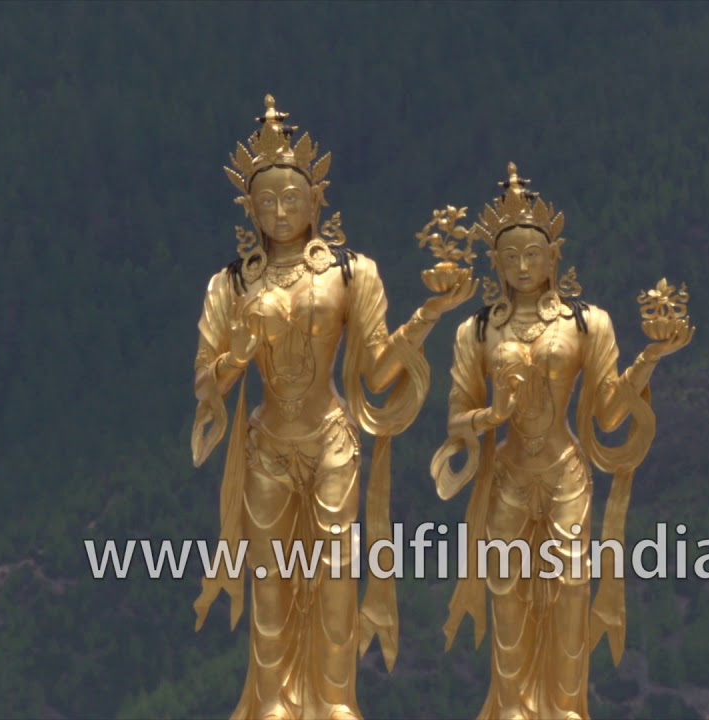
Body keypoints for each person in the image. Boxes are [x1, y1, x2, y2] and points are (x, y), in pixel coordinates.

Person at [190, 94, 476, 720]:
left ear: (316, 200)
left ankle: (334, 700)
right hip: (267, 444)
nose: (280, 211)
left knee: (336, 574)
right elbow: (207, 385)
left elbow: (376, 368)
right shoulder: (231, 284)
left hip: (330, 441)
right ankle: (273, 701)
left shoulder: (352, 274)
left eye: (292, 197)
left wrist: (428, 315)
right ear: (249, 207)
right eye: (267, 200)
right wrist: (239, 352)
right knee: (271, 577)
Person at [431, 163, 693, 720]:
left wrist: (650, 358)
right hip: (508, 476)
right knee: (508, 590)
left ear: (554, 256)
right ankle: (512, 705)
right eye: (511, 257)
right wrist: (490, 415)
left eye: (534, 254)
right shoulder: (476, 331)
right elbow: (455, 419)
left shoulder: (587, 324)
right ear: (495, 262)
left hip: (566, 475)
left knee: (570, 589)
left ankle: (565, 705)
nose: (523, 266)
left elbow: (609, 410)